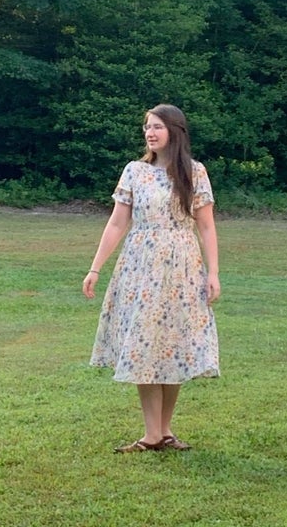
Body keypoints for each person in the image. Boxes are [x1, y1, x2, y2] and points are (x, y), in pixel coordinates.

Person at [83, 105, 220, 452]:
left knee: (172, 343)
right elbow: (117, 223)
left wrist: (213, 272)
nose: (150, 132)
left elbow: (206, 225)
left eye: (157, 127)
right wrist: (95, 267)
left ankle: (165, 430)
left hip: (182, 266)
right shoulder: (135, 172)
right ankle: (151, 434)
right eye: (147, 127)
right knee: (144, 343)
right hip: (140, 266)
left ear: (175, 131)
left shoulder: (194, 172)